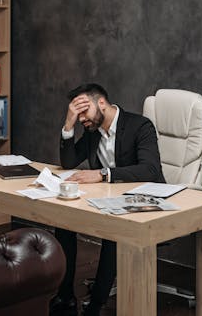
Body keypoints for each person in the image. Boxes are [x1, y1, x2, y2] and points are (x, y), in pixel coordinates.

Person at [51, 83, 165, 316]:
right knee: (63, 223)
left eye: (83, 111)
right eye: (77, 112)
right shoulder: (92, 131)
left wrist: (103, 174)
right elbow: (69, 162)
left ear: (101, 103)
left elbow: (150, 170)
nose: (82, 118)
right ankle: (65, 297)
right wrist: (68, 124)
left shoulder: (139, 126)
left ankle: (95, 307)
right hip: (108, 199)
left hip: (142, 200)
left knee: (113, 233)